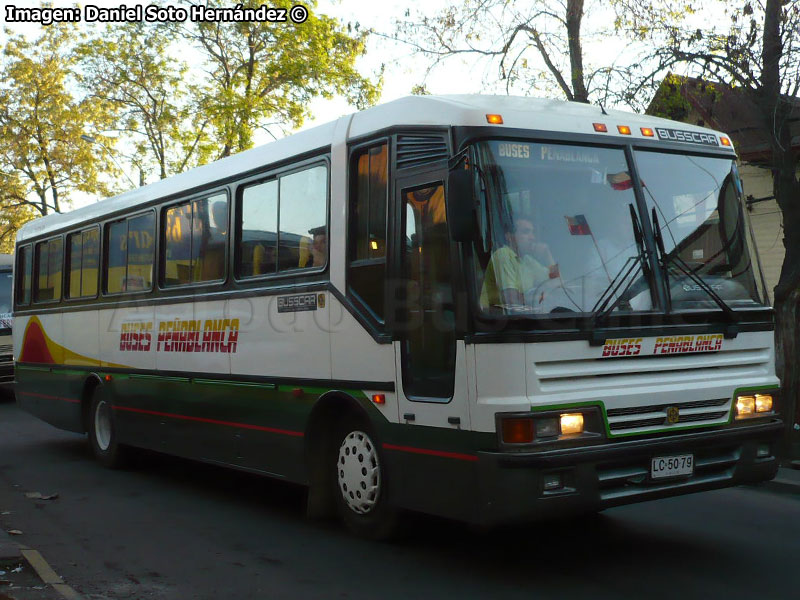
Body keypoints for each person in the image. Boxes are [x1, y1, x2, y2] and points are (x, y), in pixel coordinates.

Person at [479, 215, 558, 310]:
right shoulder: (503, 255)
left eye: (533, 233)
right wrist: (540, 296)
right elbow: (511, 299)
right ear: (509, 236)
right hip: (494, 319)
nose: (532, 237)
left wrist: (547, 254)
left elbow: (557, 283)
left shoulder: (527, 260)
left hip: (521, 317)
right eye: (526, 232)